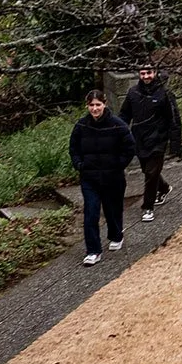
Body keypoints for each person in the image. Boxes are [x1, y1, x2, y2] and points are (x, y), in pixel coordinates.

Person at [69, 90, 136, 266]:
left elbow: (129, 147)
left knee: (112, 209)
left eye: (98, 105)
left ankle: (116, 234)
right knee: (91, 212)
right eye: (91, 105)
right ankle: (93, 250)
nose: (95, 108)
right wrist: (79, 164)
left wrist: (118, 164)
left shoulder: (117, 125)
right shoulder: (81, 126)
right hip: (89, 177)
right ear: (87, 106)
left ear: (104, 104)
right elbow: (73, 148)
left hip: (112, 176)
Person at [119, 62, 182, 221]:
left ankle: (148, 208)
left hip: (158, 140)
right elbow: (124, 115)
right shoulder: (133, 93)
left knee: (151, 172)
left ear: (154, 72)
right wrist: (118, 133)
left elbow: (173, 120)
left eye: (149, 73)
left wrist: (175, 144)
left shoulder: (165, 93)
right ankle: (164, 188)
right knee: (148, 171)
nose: (146, 76)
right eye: (143, 73)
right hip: (139, 140)